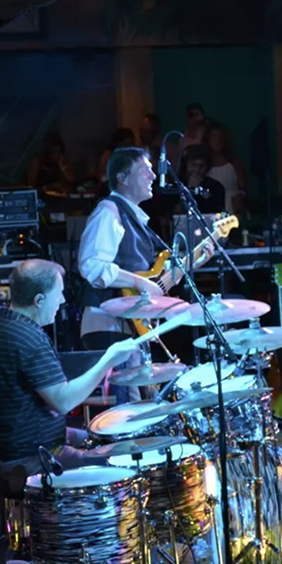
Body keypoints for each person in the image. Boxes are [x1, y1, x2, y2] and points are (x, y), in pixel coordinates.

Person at [78, 147, 213, 400]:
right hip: (109, 324)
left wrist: (193, 262)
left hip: (130, 326)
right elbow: (92, 266)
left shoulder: (134, 217)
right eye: (145, 171)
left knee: (141, 402)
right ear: (123, 178)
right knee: (128, 405)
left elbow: (155, 282)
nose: (153, 176)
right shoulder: (108, 212)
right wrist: (140, 283)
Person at [0, 260, 138, 483]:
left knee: (101, 436)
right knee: (120, 462)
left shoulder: (0, 322)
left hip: (20, 441)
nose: (62, 301)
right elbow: (63, 402)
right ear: (39, 300)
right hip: (30, 456)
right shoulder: (29, 339)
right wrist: (108, 360)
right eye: (58, 294)